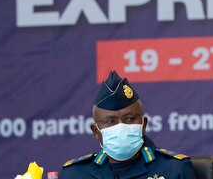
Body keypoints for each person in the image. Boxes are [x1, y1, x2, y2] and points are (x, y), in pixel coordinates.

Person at [59, 70, 196, 178]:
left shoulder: (174, 170)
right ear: (96, 131)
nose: (121, 127)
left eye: (129, 119)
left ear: (144, 125)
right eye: (110, 121)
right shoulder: (74, 174)